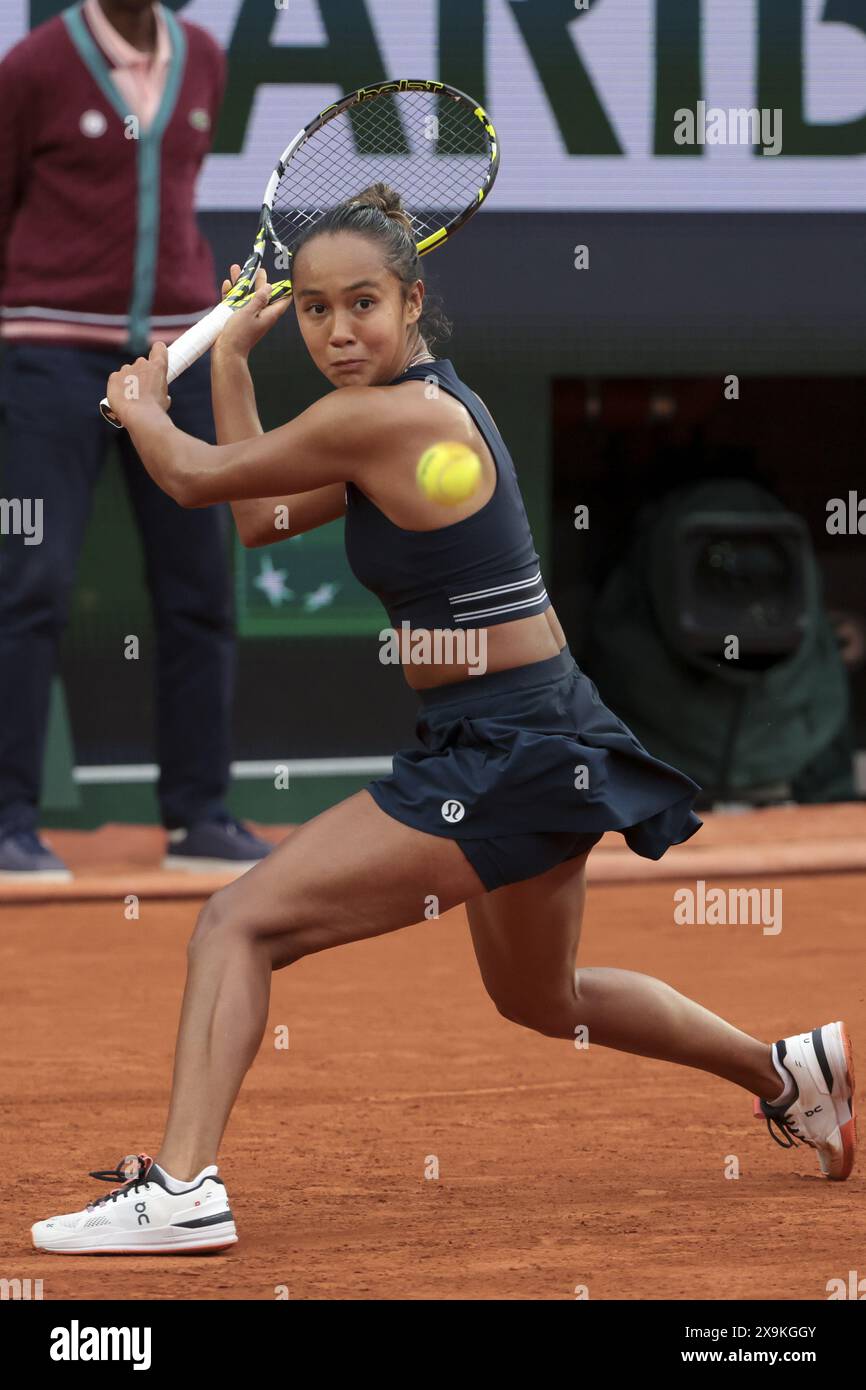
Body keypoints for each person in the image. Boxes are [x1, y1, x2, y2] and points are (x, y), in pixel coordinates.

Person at [30, 185, 856, 1253]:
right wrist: (227, 365)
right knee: (538, 996)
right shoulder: (406, 413)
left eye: (362, 303)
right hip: (537, 734)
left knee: (238, 922)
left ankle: (183, 1185)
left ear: (411, 300)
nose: (337, 331)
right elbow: (258, 519)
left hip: (507, 747)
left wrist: (146, 404)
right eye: (317, 310)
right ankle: (783, 1072)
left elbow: (191, 480)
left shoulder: (383, 416)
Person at [0, 0, 273, 877]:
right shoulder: (35, 66)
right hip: (46, 353)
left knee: (200, 584)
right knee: (30, 581)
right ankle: (7, 821)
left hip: (174, 354)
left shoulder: (203, 56)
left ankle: (200, 815)